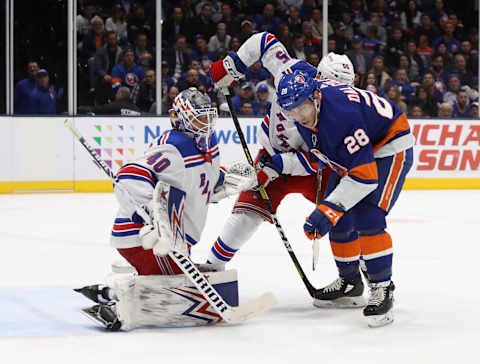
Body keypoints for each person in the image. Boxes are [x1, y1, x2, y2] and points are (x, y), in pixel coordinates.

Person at [75, 88, 257, 330]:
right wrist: (153, 216)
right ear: (178, 118)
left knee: (193, 285)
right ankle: (116, 303)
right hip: (143, 238)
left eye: (207, 116)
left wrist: (226, 183)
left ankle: (112, 291)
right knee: (179, 289)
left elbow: (199, 187)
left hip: (177, 240)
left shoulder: (210, 143)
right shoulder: (173, 148)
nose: (206, 123)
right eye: (198, 117)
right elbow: (129, 176)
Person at [208, 34, 356, 311]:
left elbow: (314, 161)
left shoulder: (343, 117)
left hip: (313, 170)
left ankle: (353, 279)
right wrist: (234, 65)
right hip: (271, 155)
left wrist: (276, 168)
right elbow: (265, 42)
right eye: (330, 87)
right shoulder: (293, 73)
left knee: (343, 210)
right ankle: (213, 267)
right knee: (248, 212)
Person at [274, 66, 414, 327]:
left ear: (316, 97)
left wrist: (329, 209)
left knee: (367, 215)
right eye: (290, 110)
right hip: (362, 145)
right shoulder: (306, 109)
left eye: (302, 107)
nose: (298, 116)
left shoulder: (340, 116)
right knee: (338, 215)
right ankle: (350, 282)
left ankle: (382, 287)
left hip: (389, 144)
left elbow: (366, 176)